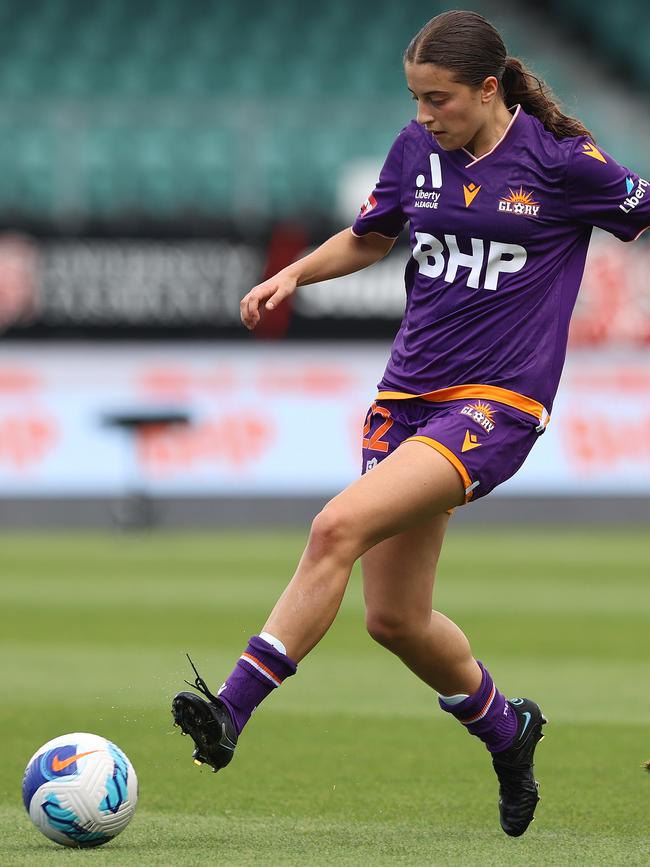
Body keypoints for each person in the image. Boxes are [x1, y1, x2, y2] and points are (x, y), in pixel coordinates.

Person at [171, 10, 649, 837]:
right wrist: (295, 273)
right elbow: (370, 235)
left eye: (440, 99)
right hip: (405, 401)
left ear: (489, 90)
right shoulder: (415, 150)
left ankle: (232, 710)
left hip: (496, 406)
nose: (424, 114)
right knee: (394, 619)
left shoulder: (565, 163)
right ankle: (510, 729)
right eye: (416, 98)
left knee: (335, 528)